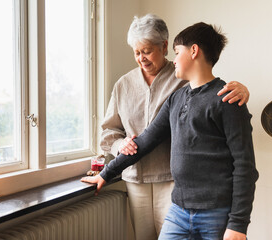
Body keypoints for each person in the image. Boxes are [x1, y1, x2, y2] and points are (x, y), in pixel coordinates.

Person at [84, 15, 251, 240]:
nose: (174, 59)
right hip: (179, 208)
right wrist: (106, 173)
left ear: (193, 51)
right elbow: (145, 140)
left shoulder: (224, 99)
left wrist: (238, 224)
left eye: (176, 52)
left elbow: (244, 166)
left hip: (213, 209)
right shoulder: (176, 98)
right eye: (137, 52)